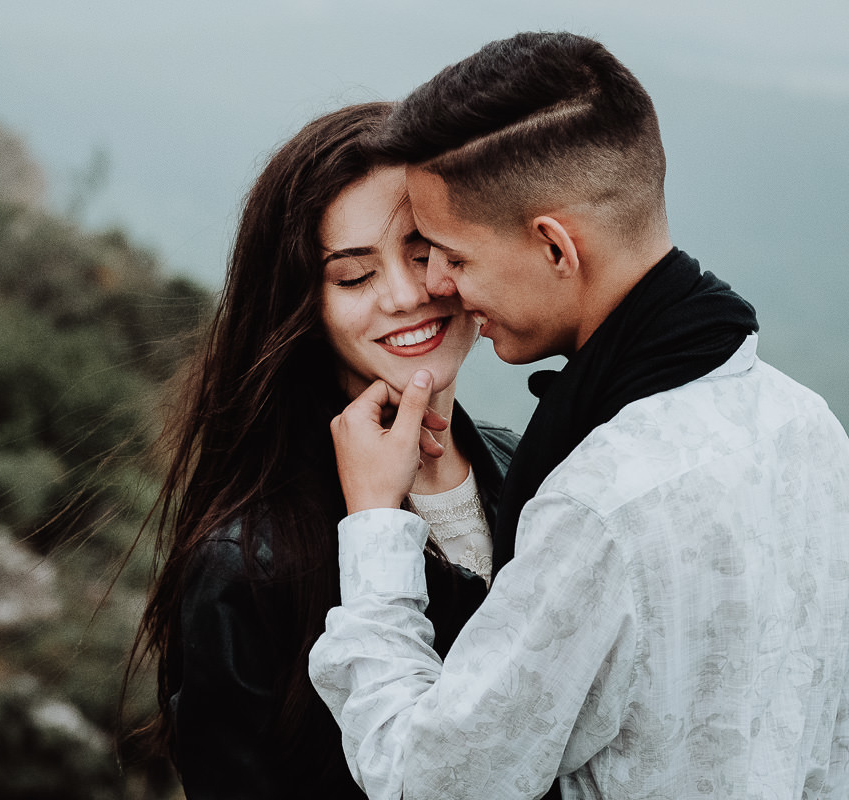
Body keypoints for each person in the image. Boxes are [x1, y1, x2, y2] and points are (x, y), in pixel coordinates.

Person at [308, 32, 849, 800]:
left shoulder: (602, 506)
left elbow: (429, 780)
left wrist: (372, 529)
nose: (439, 285)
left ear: (557, 248)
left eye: (454, 257)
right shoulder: (812, 428)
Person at [128, 102, 520, 799]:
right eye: (353, 276)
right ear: (306, 308)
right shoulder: (248, 562)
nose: (405, 295)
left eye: (425, 253)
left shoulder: (534, 473)